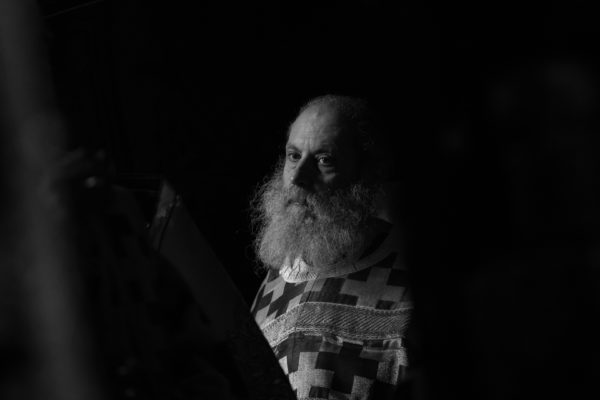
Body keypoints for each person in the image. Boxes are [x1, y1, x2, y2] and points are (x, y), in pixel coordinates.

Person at [250, 95, 412, 399]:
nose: (298, 178)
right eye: (294, 156)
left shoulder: (406, 279)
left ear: (365, 175)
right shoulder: (272, 286)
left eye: (324, 160)